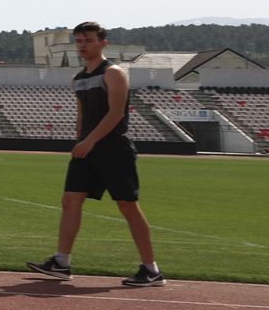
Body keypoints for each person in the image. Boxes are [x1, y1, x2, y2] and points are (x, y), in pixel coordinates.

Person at [26, 21, 165, 287]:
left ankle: (151, 269)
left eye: (88, 40)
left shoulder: (113, 73)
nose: (82, 45)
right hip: (86, 149)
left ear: (103, 43)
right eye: (78, 41)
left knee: (127, 205)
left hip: (114, 149)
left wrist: (89, 141)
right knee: (70, 201)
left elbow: (116, 113)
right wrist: (81, 140)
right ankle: (61, 262)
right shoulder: (78, 79)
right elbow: (81, 116)